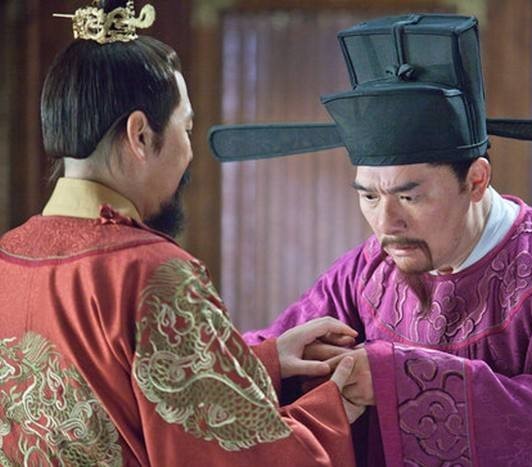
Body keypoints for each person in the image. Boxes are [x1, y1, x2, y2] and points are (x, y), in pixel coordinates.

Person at [240, 14, 532, 466]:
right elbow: (259, 360)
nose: (386, 223)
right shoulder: (365, 274)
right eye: (369, 196)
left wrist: (398, 381)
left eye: (409, 196)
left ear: (476, 180)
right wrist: (272, 359)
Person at [0, 1, 362, 465]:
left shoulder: (9, 256)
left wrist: (265, 361)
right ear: (140, 135)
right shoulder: (152, 273)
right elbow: (233, 457)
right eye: (186, 128)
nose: (189, 152)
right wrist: (331, 409)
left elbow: (122, 392)